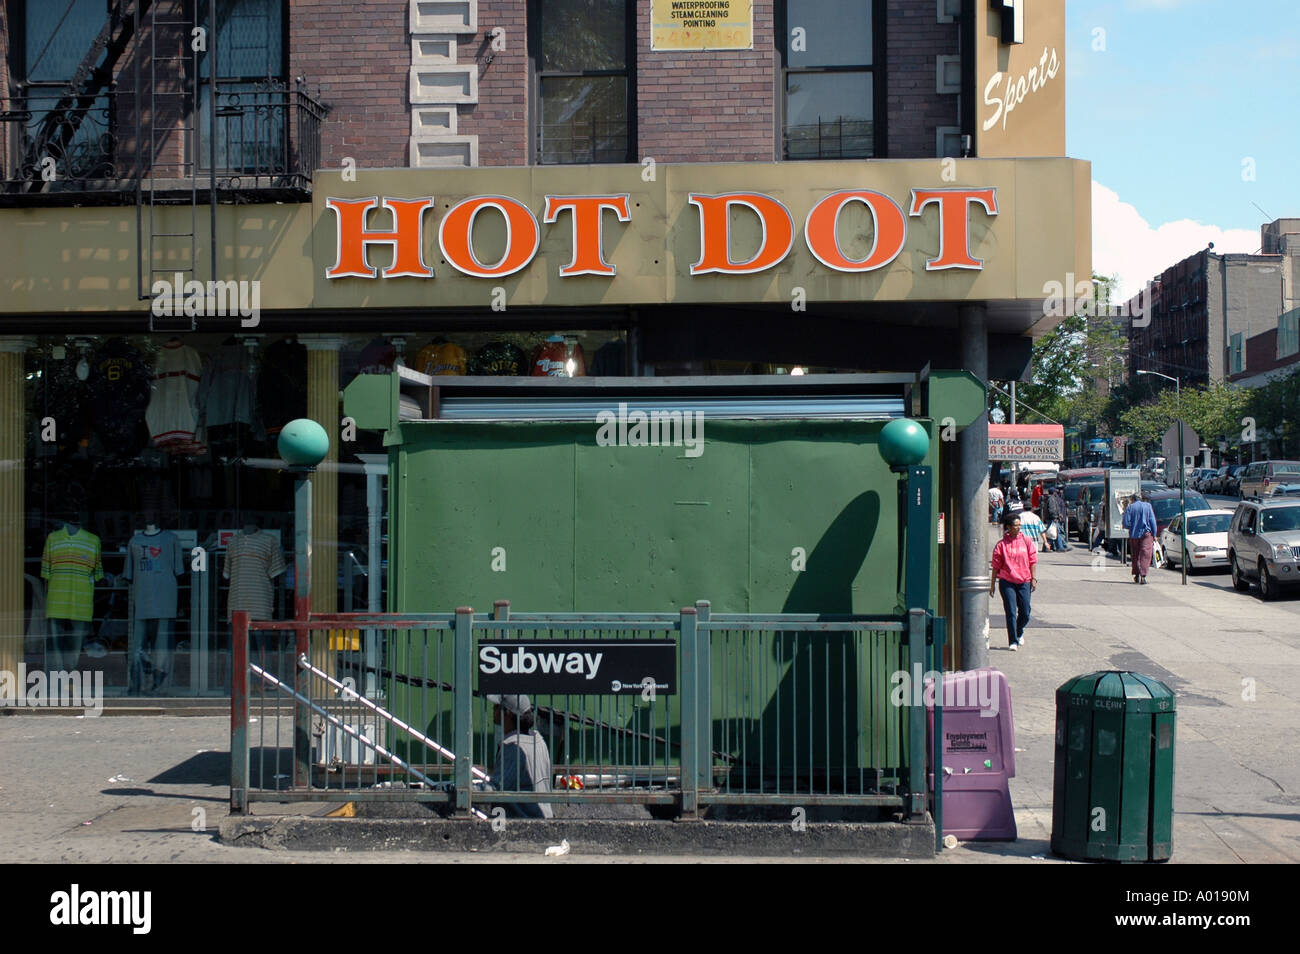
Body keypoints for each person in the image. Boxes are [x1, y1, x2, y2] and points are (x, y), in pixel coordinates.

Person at [485, 694, 554, 818]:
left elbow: (496, 789)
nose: (493, 709)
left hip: (523, 821)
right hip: (543, 816)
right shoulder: (538, 740)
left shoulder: (514, 747)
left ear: (507, 713)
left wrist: (466, 789)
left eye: (496, 706)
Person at [990, 511, 1037, 651]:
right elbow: (995, 566)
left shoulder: (1026, 541)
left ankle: (1019, 630)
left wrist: (1034, 578)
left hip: (1024, 580)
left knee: (1025, 611)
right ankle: (1013, 640)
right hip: (1007, 581)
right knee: (1010, 611)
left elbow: (1033, 560)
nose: (1018, 528)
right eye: (1015, 525)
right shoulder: (1001, 545)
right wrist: (992, 584)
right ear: (1009, 527)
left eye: (1019, 525)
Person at [1122, 493, 1158, 584]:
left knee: (1135, 555)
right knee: (1145, 554)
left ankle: (1136, 574)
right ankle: (1143, 575)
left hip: (1134, 534)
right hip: (1146, 533)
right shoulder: (1148, 506)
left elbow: (1125, 523)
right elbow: (1152, 521)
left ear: (1133, 499)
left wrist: (1132, 526)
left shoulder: (1130, 507)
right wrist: (1154, 534)